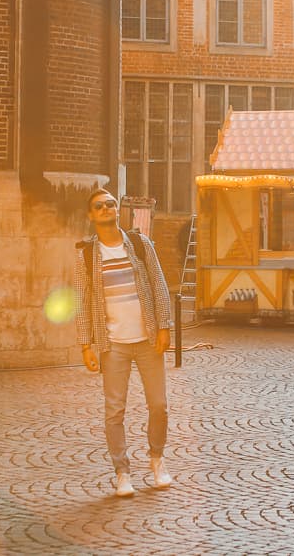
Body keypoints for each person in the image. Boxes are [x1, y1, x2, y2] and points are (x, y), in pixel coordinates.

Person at [75, 188, 175, 497]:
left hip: (147, 339)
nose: (106, 208)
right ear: (91, 215)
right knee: (114, 411)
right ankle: (122, 473)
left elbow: (159, 285)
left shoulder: (140, 244)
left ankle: (157, 459)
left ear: (118, 209)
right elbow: (81, 302)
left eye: (110, 203)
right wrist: (86, 345)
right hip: (112, 345)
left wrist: (165, 326)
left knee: (158, 405)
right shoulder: (86, 255)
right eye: (99, 206)